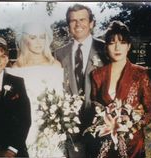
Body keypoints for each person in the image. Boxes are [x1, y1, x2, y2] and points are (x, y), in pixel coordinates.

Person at [89, 20, 151, 157]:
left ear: (129, 46)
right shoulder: (97, 75)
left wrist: (133, 126)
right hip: (106, 144)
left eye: (122, 42)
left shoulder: (141, 73)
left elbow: (150, 111)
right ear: (106, 46)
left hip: (133, 145)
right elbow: (95, 109)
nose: (117, 48)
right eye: (112, 43)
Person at [54, 4, 108, 158]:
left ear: (91, 23)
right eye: (73, 21)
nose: (78, 24)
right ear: (68, 25)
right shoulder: (58, 55)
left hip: (100, 125)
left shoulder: (106, 50)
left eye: (82, 19)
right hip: (71, 128)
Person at [7, 22, 65, 157]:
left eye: (42, 37)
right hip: (26, 125)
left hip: (50, 125)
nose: (39, 42)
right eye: (33, 37)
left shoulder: (54, 65)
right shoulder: (16, 68)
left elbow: (60, 98)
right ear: (24, 40)